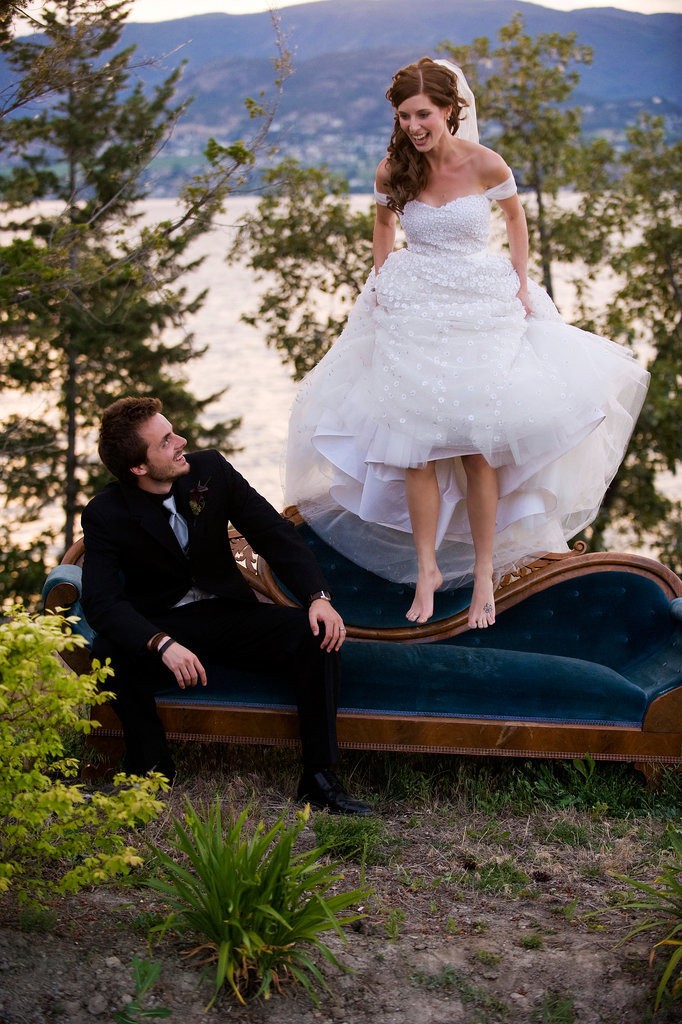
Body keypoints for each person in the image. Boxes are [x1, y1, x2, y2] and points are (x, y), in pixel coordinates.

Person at [285, 56, 649, 627]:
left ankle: (483, 574)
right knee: (413, 449)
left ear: (450, 110)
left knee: (480, 449)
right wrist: (381, 281)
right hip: (414, 305)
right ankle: (427, 568)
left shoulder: (486, 162)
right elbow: (383, 227)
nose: (413, 126)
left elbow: (516, 220)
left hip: (480, 305)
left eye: (423, 114)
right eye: (404, 116)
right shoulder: (393, 169)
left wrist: (521, 283)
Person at [80, 396, 372, 816]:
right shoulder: (106, 513)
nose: (181, 441)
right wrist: (160, 643)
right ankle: (150, 770)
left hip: (229, 614)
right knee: (109, 652)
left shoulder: (210, 470)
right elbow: (102, 602)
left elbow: (272, 532)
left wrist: (318, 597)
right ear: (138, 468)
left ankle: (319, 777)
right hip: (164, 623)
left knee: (314, 635)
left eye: (173, 432)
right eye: (166, 442)